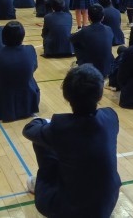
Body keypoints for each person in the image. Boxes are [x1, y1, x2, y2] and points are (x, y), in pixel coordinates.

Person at [23, 64, 121, 218]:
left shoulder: (60, 127)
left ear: (66, 95)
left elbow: (28, 130)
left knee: (41, 141)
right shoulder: (110, 117)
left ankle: (43, 184)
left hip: (69, 211)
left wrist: (42, 121)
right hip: (106, 204)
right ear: (100, 94)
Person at [0, 21, 40, 122]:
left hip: (1, 99)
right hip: (27, 97)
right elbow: (34, 67)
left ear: (3, 36)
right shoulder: (30, 49)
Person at [70, 3, 114, 77]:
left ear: (88, 17)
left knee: (76, 43)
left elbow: (71, 39)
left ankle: (81, 63)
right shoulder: (109, 29)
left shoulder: (84, 31)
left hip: (90, 71)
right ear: (103, 17)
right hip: (108, 69)